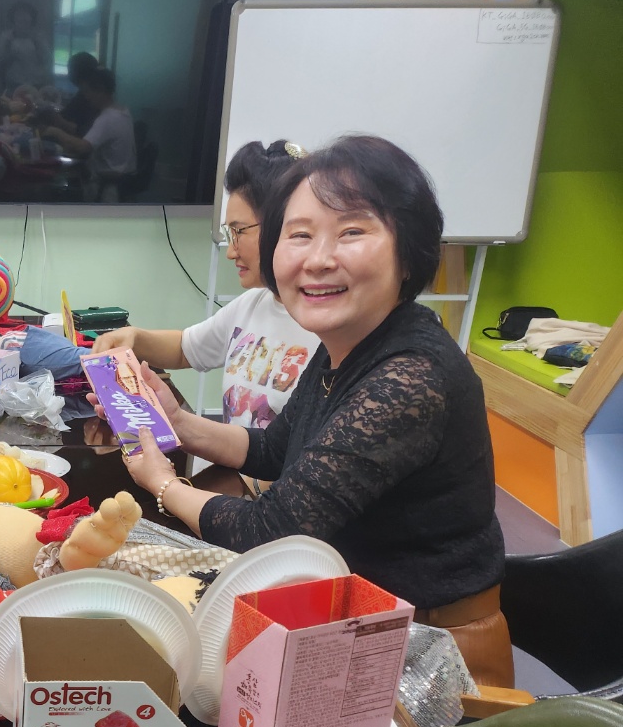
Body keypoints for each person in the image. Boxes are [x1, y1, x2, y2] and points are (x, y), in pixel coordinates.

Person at [114, 135, 511, 685]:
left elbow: (270, 532)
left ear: (408, 250)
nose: (319, 259)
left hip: (427, 656)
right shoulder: (344, 343)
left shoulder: (411, 377)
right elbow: (273, 449)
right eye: (299, 235)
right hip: (350, 620)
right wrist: (177, 423)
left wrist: (163, 484)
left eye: (352, 232)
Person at [93, 141, 321, 428]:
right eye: (229, 233)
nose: (230, 251)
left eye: (239, 231)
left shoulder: (328, 332)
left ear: (283, 225)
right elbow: (185, 348)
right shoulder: (253, 304)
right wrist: (134, 337)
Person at [41, 68, 135, 202]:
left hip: (107, 186)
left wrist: (55, 132)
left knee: (51, 187)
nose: (86, 96)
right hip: (121, 179)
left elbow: (83, 147)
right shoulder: (123, 112)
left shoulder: (108, 118)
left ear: (100, 89)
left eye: (87, 91)